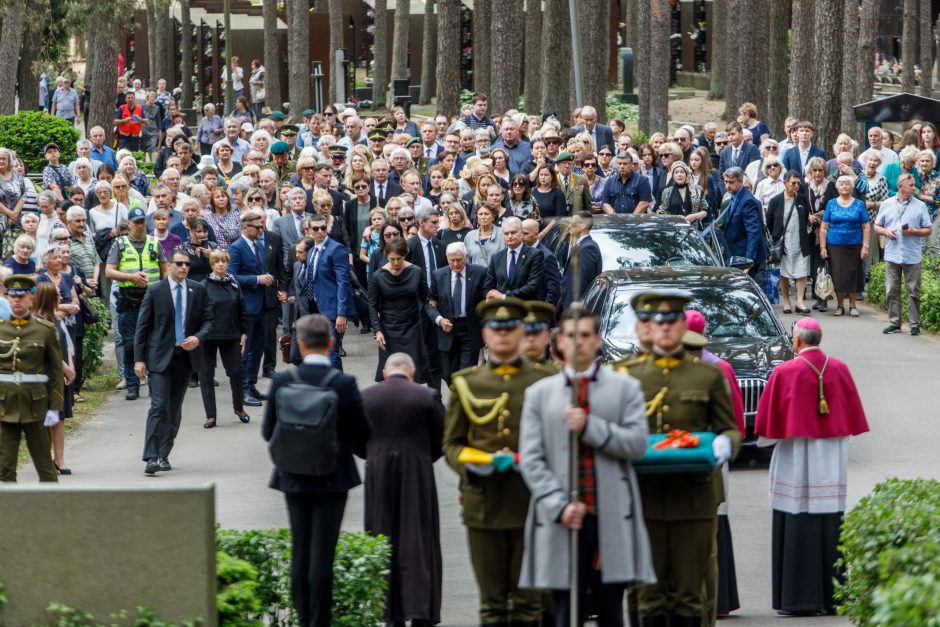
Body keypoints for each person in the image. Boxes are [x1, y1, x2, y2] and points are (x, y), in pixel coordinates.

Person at [518, 306, 656, 627]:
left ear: (597, 340)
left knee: (610, 609)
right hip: (561, 518)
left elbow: (637, 444)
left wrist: (591, 426)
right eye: (570, 335)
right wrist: (559, 504)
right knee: (566, 611)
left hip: (611, 516)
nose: (577, 342)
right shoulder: (538, 394)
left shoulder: (626, 388)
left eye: (584, 335)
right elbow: (532, 458)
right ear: (558, 342)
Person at [622, 290, 740, 626]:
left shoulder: (707, 375)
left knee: (690, 594)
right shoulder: (627, 375)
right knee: (649, 594)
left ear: (681, 326)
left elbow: (730, 429)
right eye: (656, 322)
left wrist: (722, 446)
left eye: (671, 321)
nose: (664, 329)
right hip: (645, 498)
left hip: (694, 497)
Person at [442, 298, 555, 626]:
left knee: (527, 603)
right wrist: (471, 465)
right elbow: (451, 443)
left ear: (522, 332)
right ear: (485, 335)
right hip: (485, 503)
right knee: (492, 603)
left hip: (532, 502)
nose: (503, 334)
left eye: (510, 328)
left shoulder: (547, 380)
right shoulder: (467, 383)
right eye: (496, 328)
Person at [755, 316, 869, 616]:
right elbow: (851, 418)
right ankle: (833, 597)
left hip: (795, 460)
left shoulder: (785, 371)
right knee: (830, 521)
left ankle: (797, 600)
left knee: (797, 517)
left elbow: (767, 432)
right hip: (831, 461)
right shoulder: (840, 369)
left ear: (797, 341)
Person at [262, 313, 371, 627]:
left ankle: (302, 618)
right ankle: (319, 622)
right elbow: (361, 433)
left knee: (300, 551)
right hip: (333, 477)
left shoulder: (284, 380)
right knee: (322, 556)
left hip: (292, 475)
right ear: (332, 343)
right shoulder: (343, 383)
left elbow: (269, 431)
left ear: (299, 344)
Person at [362, 352, 444, 627]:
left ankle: (390, 612)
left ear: (385, 374)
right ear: (411, 373)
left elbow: (354, 437)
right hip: (417, 471)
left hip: (378, 471)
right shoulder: (427, 397)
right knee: (419, 538)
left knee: (381, 533)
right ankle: (421, 610)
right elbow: (441, 439)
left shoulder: (367, 397)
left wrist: (374, 456)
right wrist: (421, 456)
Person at [135, 248, 213, 474]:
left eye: (187, 264)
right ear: (169, 265)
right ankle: (150, 456)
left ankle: (163, 454)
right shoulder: (156, 290)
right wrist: (139, 360)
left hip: (185, 357)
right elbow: (143, 326)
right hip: (159, 356)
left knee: (174, 406)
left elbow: (208, 320)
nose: (184, 268)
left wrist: (198, 338)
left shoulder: (198, 290)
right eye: (179, 263)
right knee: (158, 405)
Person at [0, 275, 64, 482]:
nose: (16, 300)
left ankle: (50, 512)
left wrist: (55, 407)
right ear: (7, 297)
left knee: (45, 467)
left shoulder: (44, 330)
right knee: (4, 468)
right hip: (4, 405)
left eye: (22, 296)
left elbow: (55, 371)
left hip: (36, 405)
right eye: (12, 296)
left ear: (31, 299)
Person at [105, 207, 167, 401]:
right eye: (136, 222)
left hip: (153, 299)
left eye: (142, 221)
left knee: (154, 342)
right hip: (129, 299)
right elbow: (109, 271)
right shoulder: (120, 244)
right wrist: (130, 276)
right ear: (129, 224)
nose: (139, 225)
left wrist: (165, 291)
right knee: (130, 343)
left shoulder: (154, 242)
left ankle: (155, 383)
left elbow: (165, 269)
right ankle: (132, 385)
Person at [873, 173, 933, 335]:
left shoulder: (920, 206)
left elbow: (928, 229)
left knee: (913, 291)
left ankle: (914, 324)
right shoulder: (887, 204)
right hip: (892, 254)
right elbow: (876, 226)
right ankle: (894, 322)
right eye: (911, 185)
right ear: (900, 186)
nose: (915, 188)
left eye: (914, 185)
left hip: (912, 255)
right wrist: (886, 232)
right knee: (892, 289)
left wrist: (913, 232)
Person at [368, 236, 430, 383]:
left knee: (412, 371)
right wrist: (377, 330)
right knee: (391, 371)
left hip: (412, 326)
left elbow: (426, 298)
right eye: (392, 259)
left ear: (405, 255)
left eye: (399, 259)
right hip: (389, 328)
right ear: (386, 256)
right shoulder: (378, 276)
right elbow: (372, 304)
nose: (396, 263)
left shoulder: (416, 271)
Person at [200, 249, 250, 428]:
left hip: (231, 334)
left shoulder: (234, 284)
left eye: (223, 261)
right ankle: (211, 416)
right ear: (211, 265)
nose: (220, 264)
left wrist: (244, 333)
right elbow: (196, 313)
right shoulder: (203, 285)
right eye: (216, 262)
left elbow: (242, 310)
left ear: (227, 263)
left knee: (236, 371)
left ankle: (239, 408)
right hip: (208, 337)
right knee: (206, 375)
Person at [425, 242, 487, 384]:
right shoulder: (438, 275)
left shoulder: (480, 272)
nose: (454, 264)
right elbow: (430, 303)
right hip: (447, 329)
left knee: (466, 374)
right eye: (451, 260)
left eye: (458, 260)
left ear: (466, 257)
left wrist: (485, 326)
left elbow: (485, 302)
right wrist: (439, 319)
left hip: (470, 329)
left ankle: (462, 403)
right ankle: (458, 396)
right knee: (448, 374)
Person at [302, 213, 355, 369]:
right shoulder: (312, 251)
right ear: (309, 230)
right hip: (314, 307)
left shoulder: (336, 249)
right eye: (316, 228)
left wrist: (341, 313)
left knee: (331, 353)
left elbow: (343, 282)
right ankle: (339, 387)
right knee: (323, 352)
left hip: (331, 309)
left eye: (323, 227)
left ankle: (332, 387)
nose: (320, 231)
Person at [820, 176, 870, 317]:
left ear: (852, 187)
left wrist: (865, 246)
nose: (844, 187)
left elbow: (866, 226)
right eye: (841, 184)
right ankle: (840, 305)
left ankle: (853, 305)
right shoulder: (831, 203)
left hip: (855, 244)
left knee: (854, 274)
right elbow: (824, 227)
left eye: (847, 184)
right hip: (835, 244)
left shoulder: (859, 204)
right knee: (838, 275)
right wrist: (823, 247)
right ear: (837, 187)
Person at [766, 171, 813, 314]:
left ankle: (799, 302)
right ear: (785, 183)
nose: (796, 186)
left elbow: (807, 217)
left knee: (802, 271)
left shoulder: (802, 199)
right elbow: (769, 222)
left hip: (800, 241)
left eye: (798, 183)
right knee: (783, 273)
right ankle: (786, 302)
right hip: (783, 244)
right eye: (793, 183)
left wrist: (811, 221)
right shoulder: (775, 201)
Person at [721, 167, 769, 281]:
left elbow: (753, 233)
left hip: (746, 257)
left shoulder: (748, 201)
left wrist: (748, 262)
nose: (728, 185)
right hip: (736, 253)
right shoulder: (733, 197)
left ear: (741, 182)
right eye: (726, 182)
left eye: (731, 182)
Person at [482, 217, 544, 302]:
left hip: (525, 308)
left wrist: (504, 297)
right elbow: (487, 287)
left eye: (513, 232)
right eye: (506, 233)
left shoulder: (535, 254)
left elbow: (533, 286)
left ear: (522, 233)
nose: (510, 236)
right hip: (501, 309)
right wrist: (491, 296)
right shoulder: (496, 258)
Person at [658, 161, 709, 227]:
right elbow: (662, 213)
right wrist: (675, 218)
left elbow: (705, 210)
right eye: (676, 172)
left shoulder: (697, 190)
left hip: (694, 229)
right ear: (673, 176)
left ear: (686, 174)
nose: (679, 175)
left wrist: (694, 216)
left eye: (682, 172)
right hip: (674, 229)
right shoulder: (667, 192)